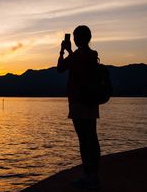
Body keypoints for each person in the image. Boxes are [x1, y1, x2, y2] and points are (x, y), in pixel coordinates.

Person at [57, 25, 100, 189]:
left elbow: (60, 68)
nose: (73, 39)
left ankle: (88, 176)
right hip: (91, 101)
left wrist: (63, 51)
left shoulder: (78, 55)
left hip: (78, 101)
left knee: (84, 139)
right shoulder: (92, 54)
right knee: (92, 138)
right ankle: (94, 175)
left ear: (77, 38)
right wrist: (70, 52)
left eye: (75, 36)